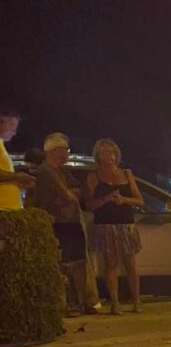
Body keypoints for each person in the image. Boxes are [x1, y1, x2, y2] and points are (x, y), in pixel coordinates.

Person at [34, 133, 96, 315]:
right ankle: (67, 303)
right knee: (63, 264)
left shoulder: (63, 171)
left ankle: (81, 301)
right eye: (66, 150)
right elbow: (67, 195)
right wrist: (71, 194)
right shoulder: (45, 171)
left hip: (71, 221)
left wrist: (73, 193)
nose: (68, 153)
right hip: (57, 223)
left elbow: (79, 192)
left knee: (78, 262)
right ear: (55, 151)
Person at [86, 138, 144, 314]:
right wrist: (106, 199)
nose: (108, 156)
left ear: (116, 154)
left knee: (130, 264)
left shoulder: (126, 174)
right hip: (105, 225)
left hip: (126, 224)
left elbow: (140, 200)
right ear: (97, 156)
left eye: (111, 152)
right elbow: (89, 204)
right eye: (103, 153)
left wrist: (124, 200)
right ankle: (115, 303)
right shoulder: (94, 176)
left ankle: (136, 301)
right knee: (110, 264)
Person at [0, 106, 35, 211]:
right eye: (11, 125)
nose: (14, 132)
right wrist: (16, 177)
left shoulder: (1, 145)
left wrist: (16, 182)